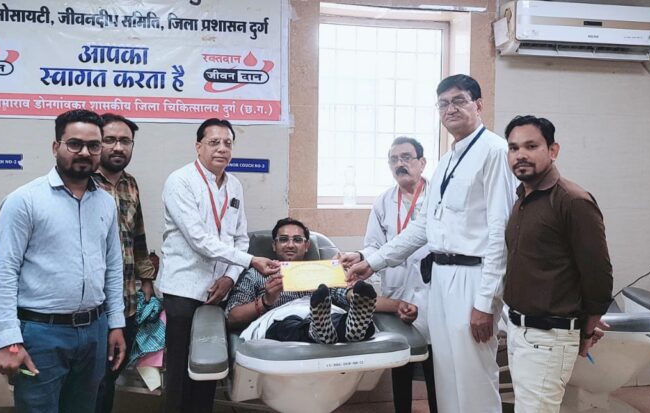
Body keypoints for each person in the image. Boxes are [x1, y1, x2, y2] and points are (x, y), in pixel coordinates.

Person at [343, 74, 517, 413]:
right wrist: (373, 262)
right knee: (446, 373)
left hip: (473, 277)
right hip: (441, 277)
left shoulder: (494, 152)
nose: (450, 109)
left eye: (459, 100)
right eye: (443, 104)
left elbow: (501, 233)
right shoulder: (448, 161)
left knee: (474, 375)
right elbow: (423, 227)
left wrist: (485, 301)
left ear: (478, 105)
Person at [0, 109, 126, 413]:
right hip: (41, 335)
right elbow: (4, 272)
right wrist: (8, 340)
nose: (84, 152)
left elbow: (114, 268)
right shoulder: (24, 201)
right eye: (74, 144)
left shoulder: (105, 203)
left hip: (95, 331)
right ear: (55, 147)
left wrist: (116, 323)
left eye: (93, 145)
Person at [157, 118, 280, 413]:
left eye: (227, 143)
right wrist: (250, 262)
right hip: (183, 290)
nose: (222, 149)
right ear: (198, 146)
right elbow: (199, 239)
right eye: (214, 142)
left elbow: (240, 238)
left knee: (209, 366)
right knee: (179, 368)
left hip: (219, 291)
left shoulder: (234, 184)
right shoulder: (180, 181)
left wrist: (230, 278)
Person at [502, 115, 613, 413]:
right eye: (513, 148)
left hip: (548, 337)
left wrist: (586, 329)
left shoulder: (572, 201)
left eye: (531, 146)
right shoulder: (523, 198)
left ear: (553, 150)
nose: (520, 154)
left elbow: (598, 276)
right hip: (519, 330)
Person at [225, 217, 417, 344]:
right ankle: (318, 330)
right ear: (274, 245)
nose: (290, 244)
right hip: (281, 320)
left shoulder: (323, 271)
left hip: (325, 317)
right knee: (289, 325)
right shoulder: (256, 274)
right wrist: (266, 300)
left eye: (297, 240)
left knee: (342, 319)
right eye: (283, 239)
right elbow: (233, 318)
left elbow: (350, 296)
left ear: (307, 245)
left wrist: (397, 305)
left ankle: (336, 328)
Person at [364, 136, 437, 413]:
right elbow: (372, 245)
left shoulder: (437, 197)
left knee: (436, 366)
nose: (399, 164)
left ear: (422, 162)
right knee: (401, 361)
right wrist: (362, 258)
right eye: (394, 159)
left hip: (433, 291)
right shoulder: (383, 201)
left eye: (406, 157)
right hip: (397, 291)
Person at [92, 114, 155, 413]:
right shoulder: (82, 181)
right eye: (110, 140)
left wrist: (147, 279)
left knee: (110, 376)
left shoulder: (130, 184)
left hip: (127, 302)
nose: (118, 147)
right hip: (91, 305)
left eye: (125, 141)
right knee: (89, 381)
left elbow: (138, 236)